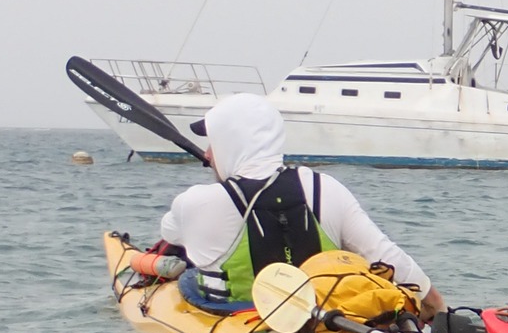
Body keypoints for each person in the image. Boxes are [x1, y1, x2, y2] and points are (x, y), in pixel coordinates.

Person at [159, 93, 446, 319]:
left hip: (237, 320)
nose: (208, 154)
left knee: (187, 277)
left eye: (212, 143)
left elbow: (170, 233)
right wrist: (434, 305)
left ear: (229, 142)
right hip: (323, 321)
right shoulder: (325, 188)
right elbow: (384, 254)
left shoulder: (195, 202)